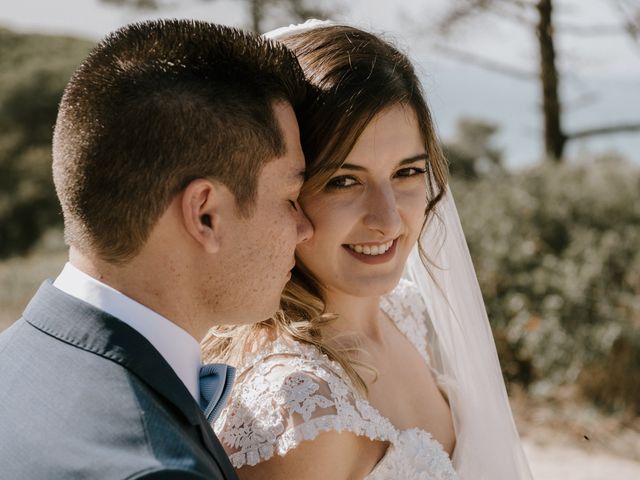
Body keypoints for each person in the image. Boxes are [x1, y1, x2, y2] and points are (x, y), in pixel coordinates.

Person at [203, 21, 534, 480]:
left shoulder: (408, 313)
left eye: (407, 173)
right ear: (281, 193)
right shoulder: (296, 407)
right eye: (343, 181)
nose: (389, 218)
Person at [0, 19, 312, 479]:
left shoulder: (14, 356)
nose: (305, 229)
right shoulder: (156, 469)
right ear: (206, 215)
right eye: (290, 198)